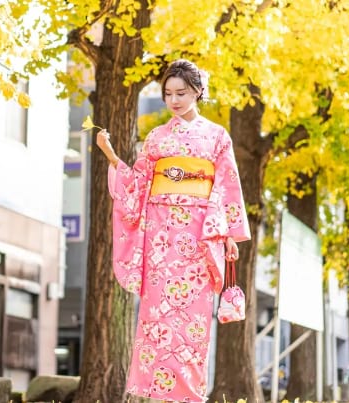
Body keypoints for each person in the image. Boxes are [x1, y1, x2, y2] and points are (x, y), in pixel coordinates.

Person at [95, 59, 251, 402]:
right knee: (156, 315)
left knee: (192, 320)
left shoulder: (216, 137)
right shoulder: (157, 138)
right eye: (168, 94)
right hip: (160, 237)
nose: (175, 100)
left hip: (197, 236)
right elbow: (137, 184)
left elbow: (226, 185)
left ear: (197, 91)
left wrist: (226, 236)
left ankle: (190, 395)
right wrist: (109, 154)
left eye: (181, 93)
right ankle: (158, 395)